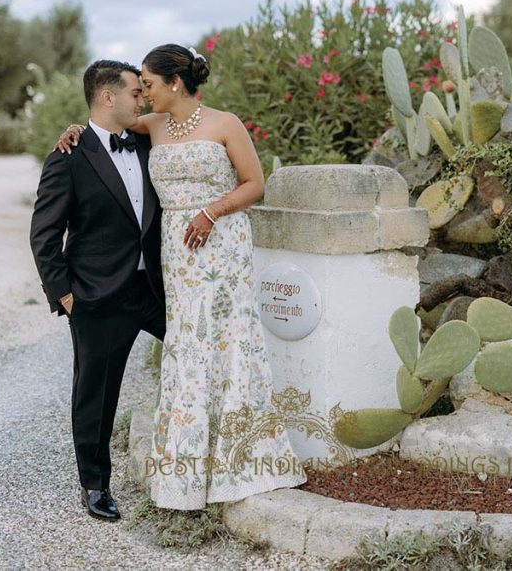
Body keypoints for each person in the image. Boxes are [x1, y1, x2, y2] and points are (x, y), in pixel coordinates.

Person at [55, 44, 306, 511]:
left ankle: (240, 457)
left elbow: (255, 183)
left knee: (229, 343)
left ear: (174, 82)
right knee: (188, 349)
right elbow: (103, 124)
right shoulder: (149, 126)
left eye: (148, 83)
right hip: (176, 258)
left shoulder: (225, 123)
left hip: (222, 245)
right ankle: (183, 469)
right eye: (138, 87)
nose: (143, 93)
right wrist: (72, 132)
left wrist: (212, 211)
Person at [30, 60, 166, 521]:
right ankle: (95, 484)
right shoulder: (68, 155)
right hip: (98, 296)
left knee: (200, 352)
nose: (141, 99)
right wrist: (65, 296)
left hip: (156, 289)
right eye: (134, 92)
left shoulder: (148, 140)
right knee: (97, 393)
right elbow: (44, 234)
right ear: (107, 97)